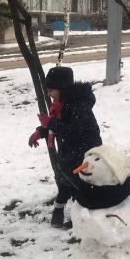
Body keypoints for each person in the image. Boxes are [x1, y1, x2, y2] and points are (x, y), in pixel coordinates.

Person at [28, 66, 102, 228]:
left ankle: (81, 219)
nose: (49, 94)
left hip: (84, 152)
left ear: (62, 88)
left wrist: (49, 123)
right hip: (70, 152)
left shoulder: (78, 105)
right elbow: (59, 125)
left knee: (80, 187)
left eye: (51, 90)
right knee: (66, 183)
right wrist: (41, 132)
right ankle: (59, 211)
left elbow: (73, 130)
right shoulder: (61, 103)